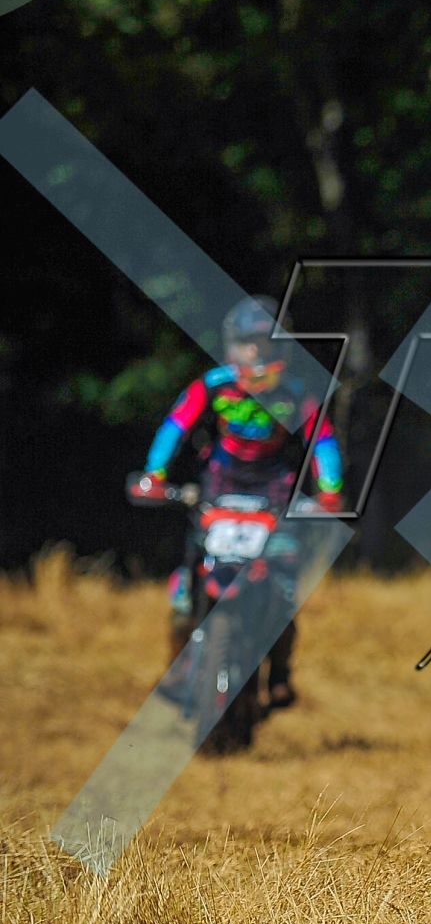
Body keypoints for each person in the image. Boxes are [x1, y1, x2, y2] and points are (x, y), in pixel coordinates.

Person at [130, 296, 343, 707]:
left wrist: (330, 491)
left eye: (263, 344)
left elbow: (323, 442)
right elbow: (175, 426)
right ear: (233, 345)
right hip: (216, 491)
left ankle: (279, 673)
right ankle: (178, 668)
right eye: (247, 344)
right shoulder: (213, 386)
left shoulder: (297, 395)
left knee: (283, 587)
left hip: (273, 497)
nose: (254, 354)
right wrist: (154, 475)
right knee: (184, 588)